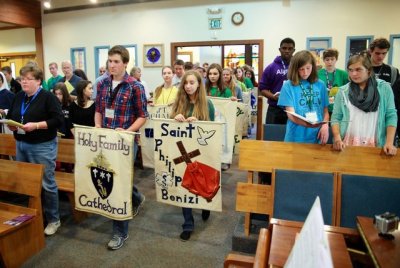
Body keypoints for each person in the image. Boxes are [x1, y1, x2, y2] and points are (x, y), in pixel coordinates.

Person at [95, 45, 148, 250]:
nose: (112, 65)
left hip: (125, 143)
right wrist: (98, 125)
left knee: (119, 186)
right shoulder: (102, 84)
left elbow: (143, 115)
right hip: (105, 140)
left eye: (116, 61)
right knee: (114, 180)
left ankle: (119, 233)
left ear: (125, 63)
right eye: (110, 61)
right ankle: (136, 196)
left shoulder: (135, 86)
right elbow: (99, 110)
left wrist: (128, 131)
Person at [6, 64, 63, 235]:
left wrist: (37, 125)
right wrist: (12, 126)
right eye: (22, 79)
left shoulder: (48, 97)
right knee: (26, 182)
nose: (24, 82)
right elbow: (11, 117)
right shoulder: (18, 97)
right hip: (21, 143)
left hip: (42, 146)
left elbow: (58, 120)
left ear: (38, 81)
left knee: (47, 183)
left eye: (29, 79)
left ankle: (54, 219)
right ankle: (30, 214)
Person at [170, 70, 215, 242]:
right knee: (185, 184)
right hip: (182, 150)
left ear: (198, 84)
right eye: (186, 83)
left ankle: (204, 203)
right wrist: (176, 117)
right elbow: (169, 123)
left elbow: (212, 129)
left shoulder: (207, 104)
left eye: (192, 83)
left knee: (201, 181)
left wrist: (200, 123)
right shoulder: (179, 102)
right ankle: (188, 224)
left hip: (201, 150)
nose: (188, 86)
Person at [331, 54, 397, 155]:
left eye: (358, 70)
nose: (353, 74)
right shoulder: (343, 91)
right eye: (350, 70)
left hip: (376, 143)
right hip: (348, 143)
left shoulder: (384, 88)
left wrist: (389, 142)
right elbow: (336, 117)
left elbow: (391, 115)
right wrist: (337, 138)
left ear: (368, 71)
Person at [278, 50, 330, 144]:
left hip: (317, 135)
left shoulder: (321, 85)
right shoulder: (288, 86)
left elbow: (325, 111)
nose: (305, 72)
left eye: (308, 68)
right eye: (301, 69)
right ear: (295, 69)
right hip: (296, 136)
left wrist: (325, 125)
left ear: (313, 67)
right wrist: (310, 125)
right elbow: (291, 115)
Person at [259, 38, 296, 124]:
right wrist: (274, 97)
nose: (287, 51)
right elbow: (262, 89)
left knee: (291, 136)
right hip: (274, 109)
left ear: (294, 50)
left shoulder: (298, 67)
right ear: (280, 49)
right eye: (284, 48)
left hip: (294, 108)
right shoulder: (271, 67)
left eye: (290, 49)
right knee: (272, 135)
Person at [317, 48, 349, 113]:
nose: (330, 62)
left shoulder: (343, 74)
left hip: (339, 108)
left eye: (332, 59)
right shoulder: (318, 74)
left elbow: (348, 89)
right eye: (327, 59)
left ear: (336, 59)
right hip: (322, 108)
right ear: (323, 60)